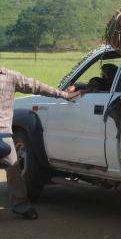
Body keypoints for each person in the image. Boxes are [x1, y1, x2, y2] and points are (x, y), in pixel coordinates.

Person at [0, 66, 79, 219]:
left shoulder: (10, 77)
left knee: (13, 167)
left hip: (3, 133)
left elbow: (37, 86)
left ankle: (21, 205)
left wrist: (64, 95)